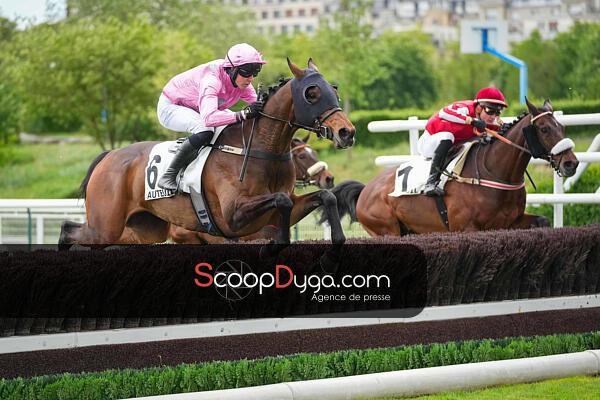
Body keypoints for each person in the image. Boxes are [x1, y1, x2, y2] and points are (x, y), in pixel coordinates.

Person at [156, 43, 267, 191]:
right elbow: (209, 118)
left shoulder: (241, 81)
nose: (251, 78)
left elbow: (260, 107)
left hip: (197, 108)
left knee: (235, 126)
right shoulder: (212, 80)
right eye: (247, 73)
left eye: (255, 73)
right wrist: (243, 114)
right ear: (232, 69)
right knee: (205, 130)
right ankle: (169, 174)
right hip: (172, 106)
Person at [418, 87, 508, 196]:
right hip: (428, 143)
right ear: (479, 107)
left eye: (497, 112)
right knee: (448, 136)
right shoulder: (465, 108)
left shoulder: (487, 121)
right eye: (490, 111)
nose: (493, 116)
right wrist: (471, 120)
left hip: (452, 147)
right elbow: (443, 112)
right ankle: (430, 183)